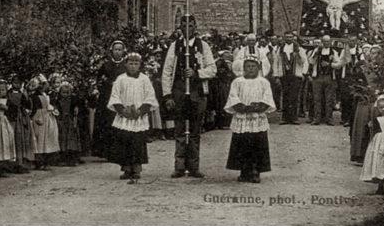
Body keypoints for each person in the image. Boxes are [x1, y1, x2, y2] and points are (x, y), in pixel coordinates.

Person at [162, 14, 216, 178]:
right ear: (180, 27)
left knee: (194, 130)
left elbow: (212, 69)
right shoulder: (175, 46)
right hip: (179, 92)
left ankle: (193, 166)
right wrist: (167, 95)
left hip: (196, 92)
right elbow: (167, 71)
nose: (187, 29)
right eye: (184, 26)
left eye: (191, 26)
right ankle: (179, 166)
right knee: (179, 130)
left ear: (195, 27)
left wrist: (196, 73)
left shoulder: (203, 46)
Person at [107, 52, 158, 183]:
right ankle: (126, 168)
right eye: (131, 63)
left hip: (138, 117)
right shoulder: (120, 79)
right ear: (126, 64)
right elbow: (115, 96)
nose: (133, 66)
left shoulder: (144, 79)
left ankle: (136, 168)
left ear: (140, 65)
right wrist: (122, 111)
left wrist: (140, 111)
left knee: (138, 142)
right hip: (124, 116)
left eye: (136, 64)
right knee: (124, 141)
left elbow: (150, 97)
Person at [224, 56, 276, 183]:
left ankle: (255, 171)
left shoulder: (263, 82)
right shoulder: (237, 82)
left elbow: (267, 98)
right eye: (248, 66)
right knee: (242, 143)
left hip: (257, 118)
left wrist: (258, 107)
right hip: (243, 117)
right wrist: (242, 107)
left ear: (258, 68)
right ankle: (244, 170)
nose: (251, 69)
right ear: (243, 68)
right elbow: (233, 97)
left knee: (257, 144)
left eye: (253, 66)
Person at [92, 40, 127, 159]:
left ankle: (120, 151)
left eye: (120, 49)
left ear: (123, 51)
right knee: (107, 123)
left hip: (122, 97)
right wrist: (107, 83)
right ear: (112, 51)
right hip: (107, 97)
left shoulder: (126, 65)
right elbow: (99, 79)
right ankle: (106, 152)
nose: (117, 52)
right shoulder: (105, 65)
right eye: (115, 49)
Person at [271, 31, 308, 125]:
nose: (289, 39)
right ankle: (285, 118)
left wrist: (303, 73)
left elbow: (304, 61)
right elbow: (276, 62)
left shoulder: (299, 48)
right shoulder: (280, 48)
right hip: (284, 74)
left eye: (291, 37)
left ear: (293, 38)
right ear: (284, 38)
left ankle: (294, 118)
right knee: (285, 96)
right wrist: (276, 75)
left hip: (295, 74)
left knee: (294, 96)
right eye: (287, 37)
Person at [309, 35, 342, 125]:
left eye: (328, 41)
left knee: (329, 99)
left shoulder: (334, 52)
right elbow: (311, 62)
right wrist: (315, 54)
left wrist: (329, 64)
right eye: (325, 41)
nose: (326, 43)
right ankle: (317, 118)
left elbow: (339, 64)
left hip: (329, 77)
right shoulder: (317, 51)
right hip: (318, 77)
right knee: (317, 99)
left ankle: (329, 119)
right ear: (322, 42)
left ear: (330, 42)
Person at [7, 74, 36, 173]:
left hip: (22, 118)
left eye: (19, 83)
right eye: (15, 82)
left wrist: (27, 99)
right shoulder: (8, 93)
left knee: (23, 140)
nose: (17, 84)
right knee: (15, 140)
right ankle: (15, 164)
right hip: (13, 119)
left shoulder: (23, 94)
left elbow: (28, 104)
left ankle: (23, 162)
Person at [31, 74, 60, 169]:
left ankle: (46, 161)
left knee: (47, 139)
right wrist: (35, 118)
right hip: (39, 117)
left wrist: (52, 110)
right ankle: (39, 162)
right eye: (43, 84)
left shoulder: (47, 95)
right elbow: (35, 108)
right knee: (39, 139)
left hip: (47, 117)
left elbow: (49, 105)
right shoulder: (35, 96)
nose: (45, 86)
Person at [53, 81, 83, 166]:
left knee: (71, 140)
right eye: (63, 92)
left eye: (67, 92)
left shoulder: (73, 100)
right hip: (62, 121)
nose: (65, 94)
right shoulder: (58, 101)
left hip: (70, 121)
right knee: (62, 139)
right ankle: (62, 158)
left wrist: (75, 113)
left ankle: (72, 159)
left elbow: (76, 111)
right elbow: (56, 111)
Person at [0, 79, 16, 176]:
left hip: (4, 123)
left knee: (5, 142)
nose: (1, 92)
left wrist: (6, 108)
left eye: (3, 90)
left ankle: (4, 167)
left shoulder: (8, 101)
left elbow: (13, 111)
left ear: (6, 91)